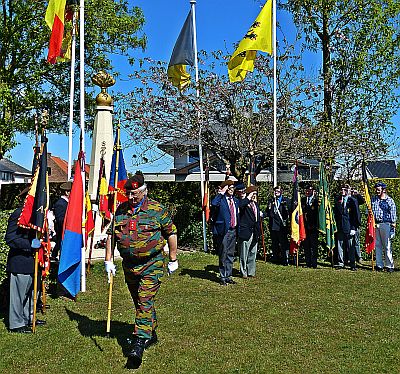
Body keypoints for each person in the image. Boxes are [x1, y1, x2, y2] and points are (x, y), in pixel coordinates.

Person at [104, 171, 178, 369]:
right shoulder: (120, 210)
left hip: (151, 263)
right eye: (128, 193)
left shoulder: (156, 210)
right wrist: (108, 260)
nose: (130, 197)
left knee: (145, 299)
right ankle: (150, 331)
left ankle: (138, 344)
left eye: (134, 194)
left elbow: (171, 233)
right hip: (129, 265)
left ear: (144, 192)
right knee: (139, 301)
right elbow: (111, 235)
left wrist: (173, 258)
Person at [5, 188, 46, 333]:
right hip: (20, 261)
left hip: (33, 261)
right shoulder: (19, 214)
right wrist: (30, 245)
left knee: (30, 293)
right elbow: (10, 238)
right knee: (18, 295)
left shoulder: (37, 215)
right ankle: (16, 323)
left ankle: (29, 317)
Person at [211, 179, 240, 285]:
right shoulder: (221, 200)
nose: (232, 190)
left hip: (233, 230)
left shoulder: (235, 201)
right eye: (230, 188)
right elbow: (213, 204)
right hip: (224, 230)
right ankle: (222, 276)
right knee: (223, 253)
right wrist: (221, 192)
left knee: (230, 254)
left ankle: (228, 275)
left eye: (233, 188)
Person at [371, 182, 397, 272]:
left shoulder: (389, 200)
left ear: (383, 190)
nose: (377, 191)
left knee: (387, 245)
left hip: (386, 224)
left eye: (378, 189)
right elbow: (370, 210)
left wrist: (393, 228)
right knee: (377, 245)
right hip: (376, 224)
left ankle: (390, 265)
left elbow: (393, 215)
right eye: (376, 189)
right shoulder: (373, 199)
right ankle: (379, 265)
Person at [333, 184, 359, 270]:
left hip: (349, 227)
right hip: (340, 226)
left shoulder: (352, 200)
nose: (343, 191)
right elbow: (336, 214)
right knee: (340, 245)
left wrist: (354, 228)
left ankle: (352, 264)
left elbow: (356, 215)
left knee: (350, 246)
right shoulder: (338, 199)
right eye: (342, 189)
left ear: (348, 190)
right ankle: (341, 263)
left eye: (345, 189)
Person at [237, 186, 261, 278]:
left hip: (254, 231)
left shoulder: (255, 204)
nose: (255, 196)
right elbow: (240, 206)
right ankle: (243, 271)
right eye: (253, 194)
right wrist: (248, 197)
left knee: (253, 252)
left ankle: (251, 271)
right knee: (244, 253)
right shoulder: (244, 203)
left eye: (255, 194)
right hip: (246, 231)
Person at [266, 186, 291, 265]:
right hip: (273, 225)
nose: (276, 192)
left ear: (281, 191)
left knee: (283, 243)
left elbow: (290, 212)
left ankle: (285, 259)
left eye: (278, 191)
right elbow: (268, 211)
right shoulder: (271, 201)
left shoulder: (286, 201)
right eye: (275, 191)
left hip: (282, 226)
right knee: (274, 243)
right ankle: (275, 258)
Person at [52, 181, 72, 260]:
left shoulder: (67, 203)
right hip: (63, 233)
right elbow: (60, 220)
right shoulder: (61, 204)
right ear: (67, 192)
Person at [301, 184, 319, 268]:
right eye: (307, 190)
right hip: (305, 227)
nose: (308, 191)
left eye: (310, 190)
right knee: (306, 246)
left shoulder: (317, 201)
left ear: (313, 191)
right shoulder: (303, 200)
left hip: (313, 227)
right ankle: (308, 262)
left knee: (314, 246)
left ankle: (314, 263)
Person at [350, 188, 365, 264]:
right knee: (348, 242)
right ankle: (350, 257)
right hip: (347, 223)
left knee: (356, 241)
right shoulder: (346, 199)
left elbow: (362, 201)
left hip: (355, 224)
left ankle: (359, 257)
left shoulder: (355, 198)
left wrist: (357, 194)